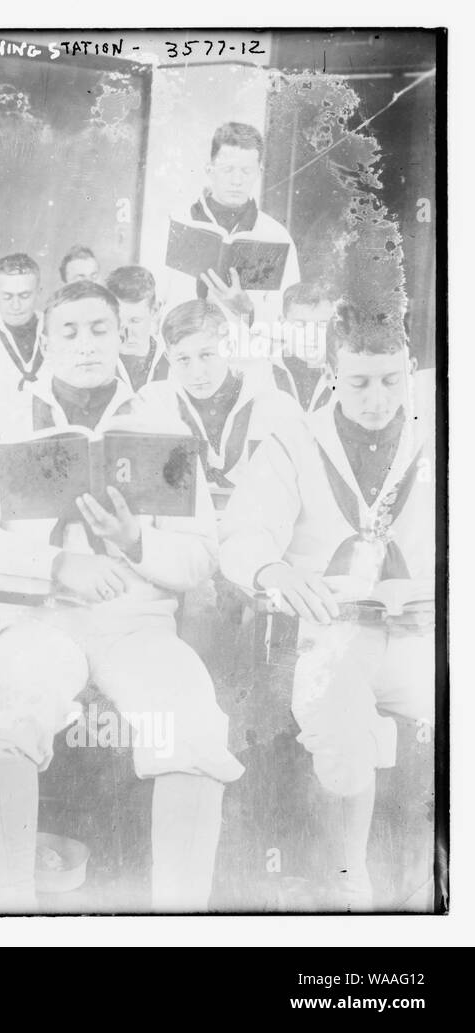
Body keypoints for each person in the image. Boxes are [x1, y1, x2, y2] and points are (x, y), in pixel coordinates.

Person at [0, 279, 243, 913]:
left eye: (100, 329)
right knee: (8, 713)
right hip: (38, 620)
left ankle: (180, 916)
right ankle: (11, 901)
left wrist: (137, 543)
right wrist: (56, 564)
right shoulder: (0, 419)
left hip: (137, 625)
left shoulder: (161, 424)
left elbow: (200, 555)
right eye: (69, 332)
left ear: (123, 335)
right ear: (45, 343)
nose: (85, 345)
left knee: (190, 718)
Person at [219, 309, 433, 912]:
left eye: (392, 380)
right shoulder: (295, 439)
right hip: (332, 631)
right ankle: (350, 880)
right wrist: (273, 568)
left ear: (410, 371)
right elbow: (242, 534)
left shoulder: (441, 428)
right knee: (337, 724)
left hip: (428, 631)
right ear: (331, 375)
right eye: (358, 382)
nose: (376, 399)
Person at [140, 300, 306, 500]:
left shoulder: (276, 406)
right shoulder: (152, 405)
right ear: (168, 357)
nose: (197, 373)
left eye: (207, 355)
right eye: (183, 359)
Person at [163, 122, 301, 334]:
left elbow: (292, 324)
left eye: (246, 171)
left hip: (243, 356)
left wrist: (248, 310)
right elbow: (155, 303)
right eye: (228, 169)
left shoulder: (276, 236)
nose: (237, 180)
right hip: (185, 355)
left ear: (259, 172)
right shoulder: (176, 225)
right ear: (209, 169)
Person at [0, 253, 46, 389]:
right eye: (7, 296)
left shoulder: (55, 330)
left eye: (24, 296)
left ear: (39, 292)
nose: (16, 306)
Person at [270, 282, 337, 413]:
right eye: (301, 324)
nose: (312, 335)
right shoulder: (262, 372)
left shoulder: (345, 375)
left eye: (321, 324)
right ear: (282, 323)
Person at [105, 265, 169, 391]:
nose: (126, 334)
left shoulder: (174, 361)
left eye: (135, 321)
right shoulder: (92, 363)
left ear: (155, 310)